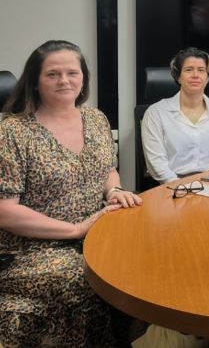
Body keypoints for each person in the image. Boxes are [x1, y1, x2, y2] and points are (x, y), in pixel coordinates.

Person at [0, 40, 143, 347]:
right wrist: (76, 229)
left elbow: (107, 169)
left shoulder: (96, 119)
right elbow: (5, 210)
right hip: (33, 248)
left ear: (83, 79)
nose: (64, 80)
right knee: (87, 280)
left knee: (145, 260)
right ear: (35, 82)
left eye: (72, 73)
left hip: (99, 230)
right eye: (52, 74)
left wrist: (114, 191)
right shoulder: (12, 132)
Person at [141, 47, 209, 184]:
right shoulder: (155, 113)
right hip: (170, 188)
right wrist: (182, 187)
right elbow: (156, 164)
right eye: (189, 70)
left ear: (208, 77)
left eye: (201, 70)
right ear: (178, 76)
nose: (195, 75)